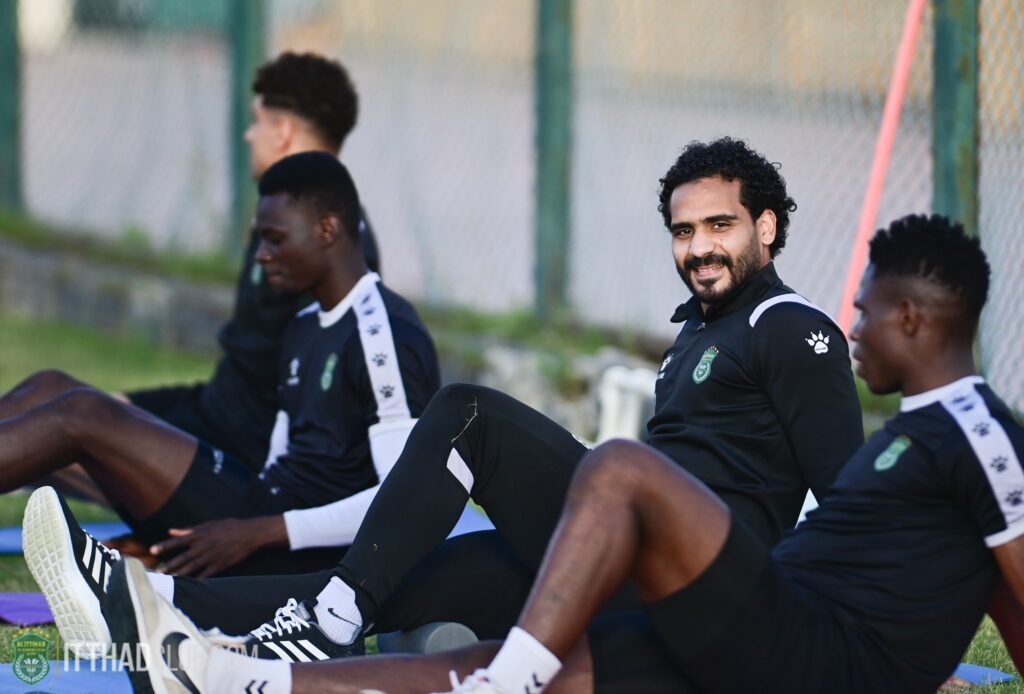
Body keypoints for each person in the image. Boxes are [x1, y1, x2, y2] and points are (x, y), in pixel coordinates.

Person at [108, 213, 1024, 694]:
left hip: (798, 646)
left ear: (914, 319)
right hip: (754, 639)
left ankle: (495, 682)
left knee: (618, 470)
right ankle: (240, 678)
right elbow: (976, 581)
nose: (854, 324)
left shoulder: (980, 435)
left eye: (868, 311)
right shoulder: (909, 434)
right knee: (515, 656)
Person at [33, 138, 863, 661]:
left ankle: (330, 620)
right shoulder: (699, 333)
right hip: (634, 560)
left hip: (702, 578)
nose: (699, 248)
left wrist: (817, 646)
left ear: (767, 229)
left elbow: (851, 502)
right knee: (414, 577)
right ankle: (145, 601)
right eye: (684, 232)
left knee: (471, 414)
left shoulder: (792, 327)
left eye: (720, 227)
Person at [14, 152, 439, 658]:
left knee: (83, 413)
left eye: (275, 239)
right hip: (255, 514)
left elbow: (402, 500)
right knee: (51, 387)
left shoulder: (382, 332)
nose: (261, 256)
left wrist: (255, 534)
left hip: (299, 554)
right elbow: (280, 461)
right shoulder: (303, 325)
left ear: (327, 230)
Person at [1, 52, 381, 508]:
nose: (248, 135)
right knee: (53, 391)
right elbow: (237, 386)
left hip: (242, 470)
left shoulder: (330, 248)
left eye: (256, 122)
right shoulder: (280, 220)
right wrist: (132, 404)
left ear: (282, 131)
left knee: (73, 420)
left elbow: (318, 421)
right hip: (211, 425)